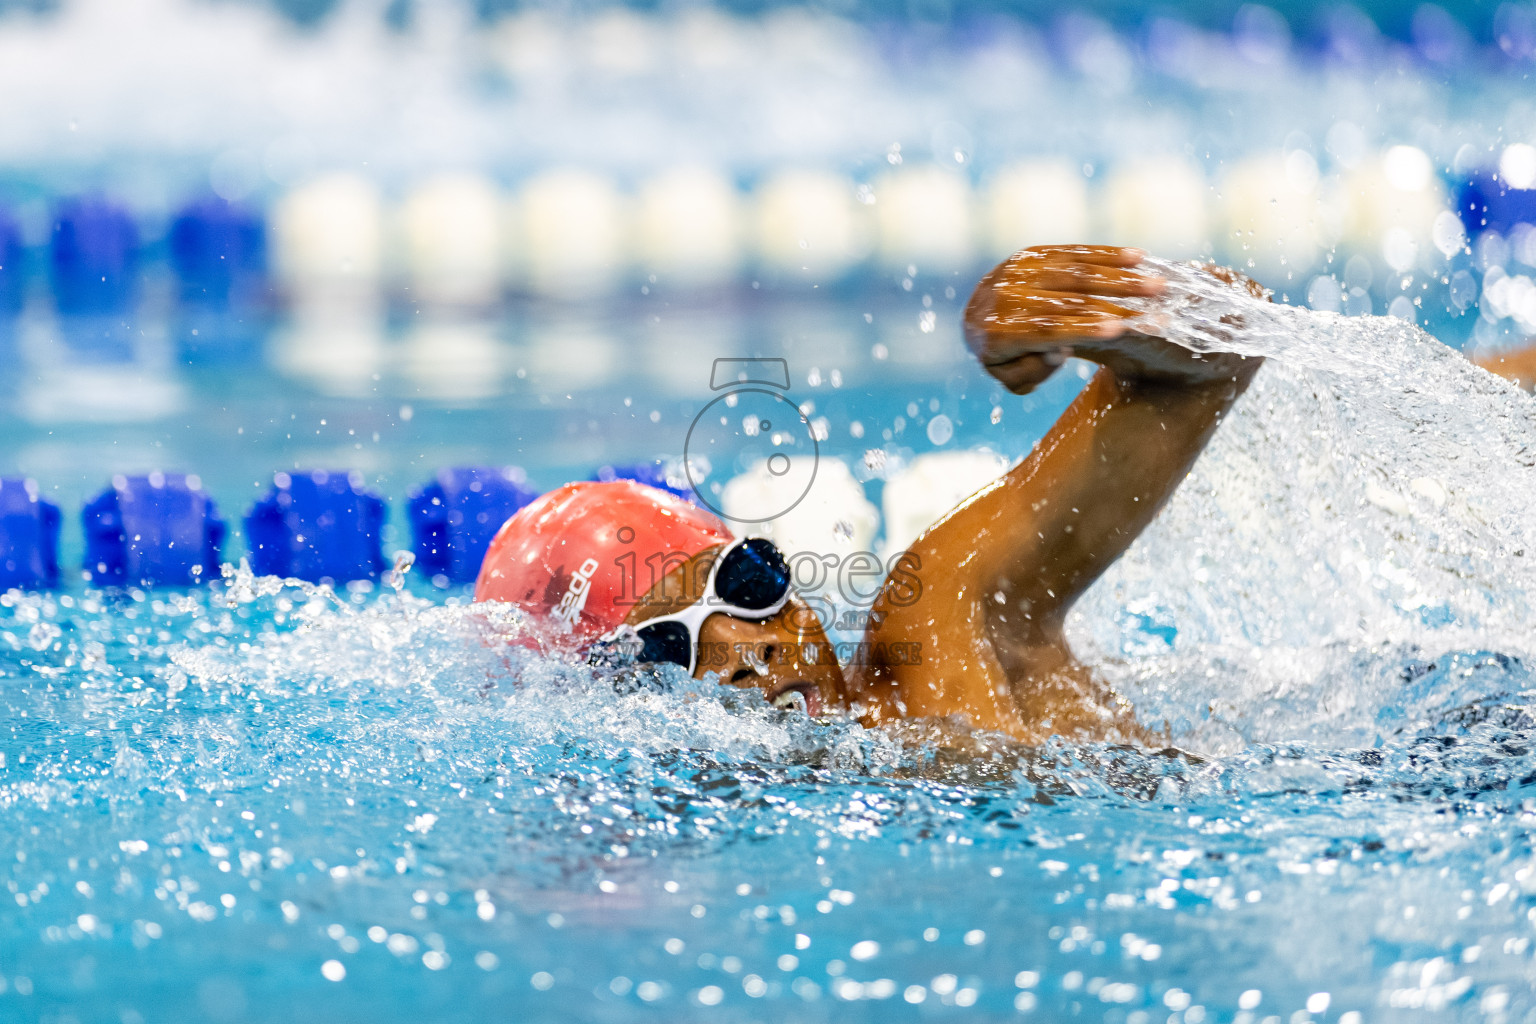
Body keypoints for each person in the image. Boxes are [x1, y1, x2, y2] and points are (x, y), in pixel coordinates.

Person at [476, 245, 1262, 745]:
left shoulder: (943, 620)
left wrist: (1110, 309)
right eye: (665, 650)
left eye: (747, 584)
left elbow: (1227, 348)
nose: (748, 651)